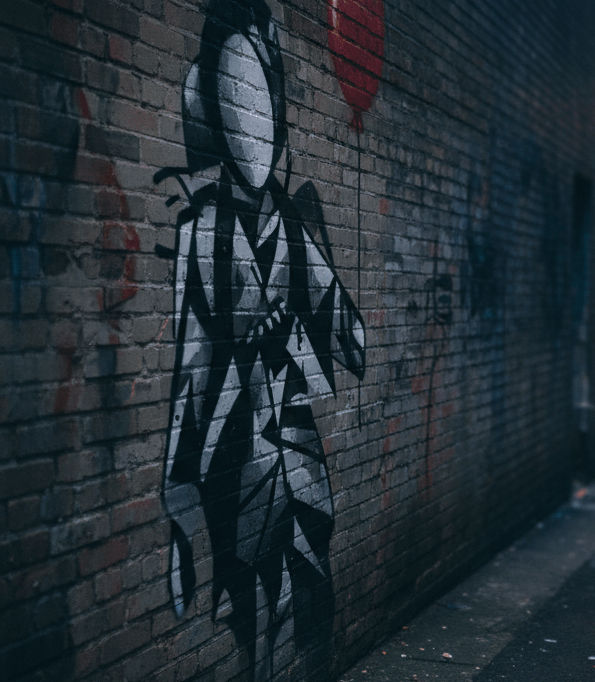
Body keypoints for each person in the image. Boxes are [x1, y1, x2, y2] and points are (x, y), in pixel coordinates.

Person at [156, 1, 365, 677]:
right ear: (212, 107)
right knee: (252, 611)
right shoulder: (197, 236)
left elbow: (351, 340)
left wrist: (307, 322)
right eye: (231, 94)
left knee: (305, 598)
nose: (252, 125)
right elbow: (189, 371)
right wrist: (175, 496)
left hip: (296, 450)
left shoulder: (297, 233)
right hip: (234, 458)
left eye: (260, 101)